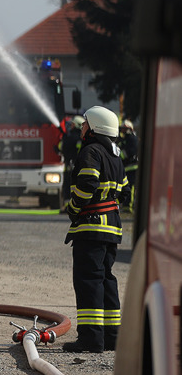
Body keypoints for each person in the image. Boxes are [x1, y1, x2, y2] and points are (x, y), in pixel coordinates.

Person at [61, 106, 131, 353]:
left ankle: (91, 339)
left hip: (91, 228)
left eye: (85, 123)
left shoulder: (91, 151)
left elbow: (88, 182)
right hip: (111, 229)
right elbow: (125, 191)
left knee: (88, 281)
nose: (82, 127)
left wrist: (74, 206)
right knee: (106, 280)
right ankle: (112, 338)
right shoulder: (115, 155)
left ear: (95, 126)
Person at [57, 115, 84, 212]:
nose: (70, 126)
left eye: (72, 124)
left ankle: (68, 206)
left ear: (77, 125)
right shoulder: (82, 137)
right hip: (79, 167)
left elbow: (63, 148)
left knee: (68, 186)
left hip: (70, 166)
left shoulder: (71, 137)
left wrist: (64, 137)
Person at [120, 118, 139, 205]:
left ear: (129, 129)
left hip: (132, 166)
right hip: (126, 167)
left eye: (124, 129)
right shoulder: (124, 140)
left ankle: (129, 206)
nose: (122, 131)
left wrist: (120, 154)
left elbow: (129, 153)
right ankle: (127, 205)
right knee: (126, 187)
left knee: (130, 186)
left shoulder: (132, 139)